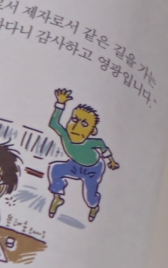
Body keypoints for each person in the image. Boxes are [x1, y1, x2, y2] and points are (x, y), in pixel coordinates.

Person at [46, 88, 119, 222]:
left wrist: (111, 161)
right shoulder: (65, 135)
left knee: (89, 196)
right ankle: (57, 198)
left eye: (84, 124)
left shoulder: (92, 142)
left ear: (92, 131)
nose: (75, 127)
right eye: (74, 120)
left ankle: (94, 206)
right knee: (55, 169)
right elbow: (53, 123)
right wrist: (60, 103)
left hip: (93, 170)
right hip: (74, 165)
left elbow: (103, 147)